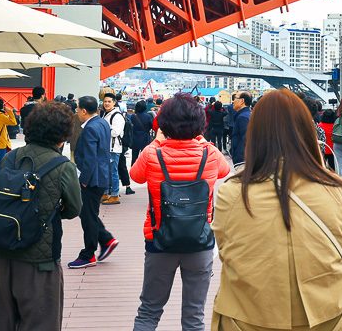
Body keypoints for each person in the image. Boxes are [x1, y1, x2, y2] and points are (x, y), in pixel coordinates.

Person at [212, 89, 342, 330]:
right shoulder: (333, 188)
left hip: (250, 316)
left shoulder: (233, 193)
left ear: (255, 135)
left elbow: (224, 243)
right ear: (306, 131)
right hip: (331, 315)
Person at [0, 101, 82, 331]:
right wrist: (51, 211)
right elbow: (74, 208)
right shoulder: (63, 167)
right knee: (40, 323)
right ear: (62, 134)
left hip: (0, 255)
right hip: (39, 262)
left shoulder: (11, 158)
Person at [130, 93, 230, 331]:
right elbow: (225, 171)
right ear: (199, 123)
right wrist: (202, 141)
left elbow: (135, 176)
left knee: (148, 312)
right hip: (199, 241)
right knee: (195, 316)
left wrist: (156, 141)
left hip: (159, 239)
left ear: (163, 123)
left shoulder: (152, 153)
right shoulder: (210, 153)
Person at [68, 96, 118, 269]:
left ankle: (89, 253)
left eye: (77, 110)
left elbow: (89, 158)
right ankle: (106, 239)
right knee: (88, 213)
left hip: (92, 178)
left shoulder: (90, 128)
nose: (76, 113)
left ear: (83, 111)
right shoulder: (102, 122)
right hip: (102, 175)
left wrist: (83, 181)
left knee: (87, 216)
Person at [101, 92, 126, 204]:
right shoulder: (106, 114)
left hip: (113, 148)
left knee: (113, 172)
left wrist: (102, 129)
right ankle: (105, 193)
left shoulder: (117, 116)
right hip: (106, 148)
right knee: (106, 172)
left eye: (109, 101)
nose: (106, 103)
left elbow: (116, 132)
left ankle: (115, 195)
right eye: (105, 101)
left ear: (114, 103)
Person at [228, 91, 252, 164]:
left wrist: (238, 157)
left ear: (242, 101)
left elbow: (246, 140)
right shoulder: (246, 115)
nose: (233, 101)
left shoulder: (243, 117)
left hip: (242, 161)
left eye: (235, 98)